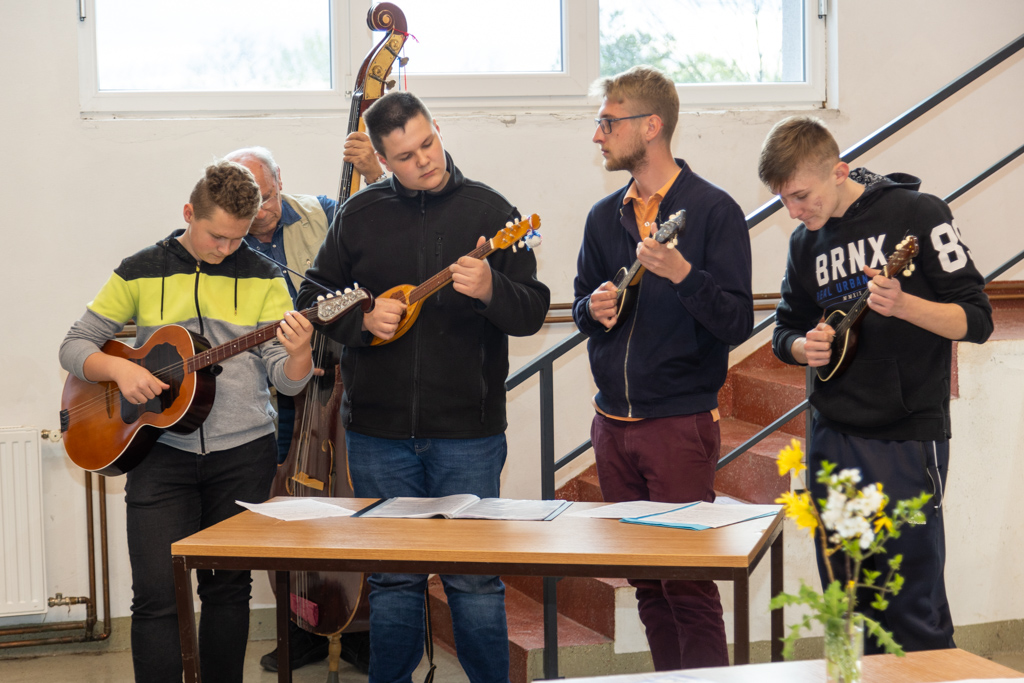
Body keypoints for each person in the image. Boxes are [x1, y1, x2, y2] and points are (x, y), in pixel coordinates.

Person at [296, 90, 550, 683]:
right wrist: (362, 322)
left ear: (437, 127)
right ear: (383, 160)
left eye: (428, 143)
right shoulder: (358, 215)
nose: (424, 161)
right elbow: (313, 298)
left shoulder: (492, 212)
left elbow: (532, 311)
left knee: (474, 580)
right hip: (378, 435)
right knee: (393, 580)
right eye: (406, 156)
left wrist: (490, 289)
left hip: (468, 435)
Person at [59, 160, 315, 683]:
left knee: (228, 591)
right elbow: (74, 345)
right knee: (156, 596)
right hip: (158, 453)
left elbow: (287, 383)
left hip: (242, 454)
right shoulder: (140, 268)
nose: (226, 249)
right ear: (188, 213)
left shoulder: (265, 276)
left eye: (237, 238)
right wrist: (119, 370)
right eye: (216, 236)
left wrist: (299, 354)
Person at [760, 115, 993, 652]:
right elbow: (784, 330)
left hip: (903, 436)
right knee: (853, 599)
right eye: (783, 201)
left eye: (800, 196)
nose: (794, 212)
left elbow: (977, 320)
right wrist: (802, 348)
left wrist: (906, 305)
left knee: (909, 604)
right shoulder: (804, 243)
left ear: (839, 171)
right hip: (831, 434)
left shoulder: (919, 213)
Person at [571, 65, 753, 671]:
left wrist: (683, 275)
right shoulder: (603, 216)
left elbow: (737, 322)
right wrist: (592, 309)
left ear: (650, 126)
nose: (597, 134)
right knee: (646, 582)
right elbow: (581, 305)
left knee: (687, 583)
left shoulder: (714, 211)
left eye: (608, 122)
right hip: (611, 426)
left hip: (677, 425)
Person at [223, 145, 377, 674]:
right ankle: (299, 626)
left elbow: (369, 233)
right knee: (285, 502)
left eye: (266, 197)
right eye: (249, 204)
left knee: (353, 498)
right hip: (277, 388)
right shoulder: (230, 239)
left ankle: (359, 626)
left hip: (341, 379)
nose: (260, 211)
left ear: (280, 181)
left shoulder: (325, 211)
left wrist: (371, 169)